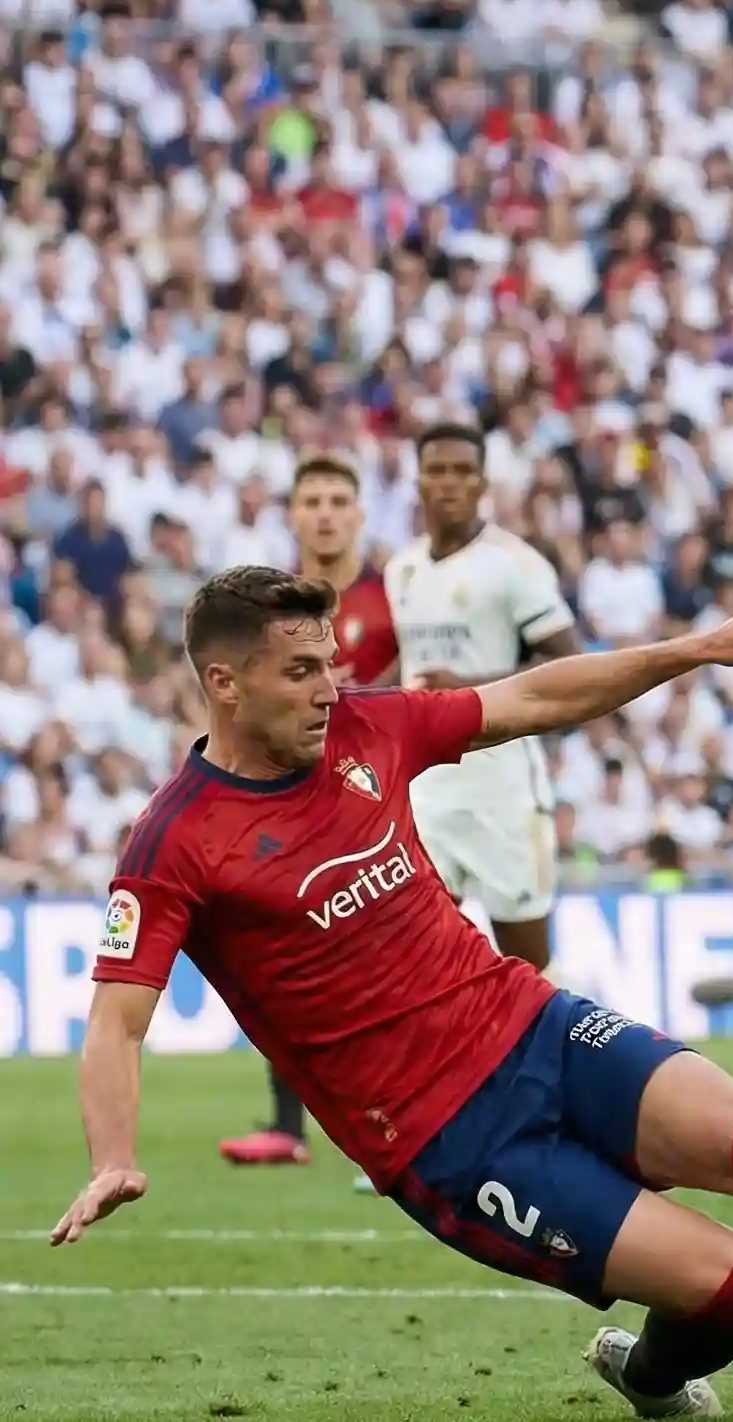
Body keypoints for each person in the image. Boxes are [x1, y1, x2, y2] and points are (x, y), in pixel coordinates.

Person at [54, 567, 733, 1419]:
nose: (328, 687)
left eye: (329, 663)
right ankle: (652, 1379)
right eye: (299, 671)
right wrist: (113, 1155)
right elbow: (117, 1016)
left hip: (537, 1022)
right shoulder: (176, 842)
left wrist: (689, 651)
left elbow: (533, 695)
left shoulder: (364, 731)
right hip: (449, 1139)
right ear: (223, 682)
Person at [219, 455, 401, 1169]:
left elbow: (422, 696)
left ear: (359, 513)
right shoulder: (269, 613)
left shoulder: (395, 598)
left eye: (337, 500)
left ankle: (399, 1116)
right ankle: (289, 1125)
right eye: (311, 501)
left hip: (380, 800)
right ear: (291, 515)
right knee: (276, 954)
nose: (324, 513)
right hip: (292, 803)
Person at [387, 423, 582, 971]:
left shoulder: (515, 566)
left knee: (528, 966)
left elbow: (567, 662)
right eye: (436, 471)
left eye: (461, 472)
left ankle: (551, 1055)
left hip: (501, 787)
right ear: (419, 481)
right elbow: (405, 666)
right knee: (413, 954)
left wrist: (468, 689)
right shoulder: (400, 569)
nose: (448, 483)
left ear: (481, 484)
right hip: (425, 790)